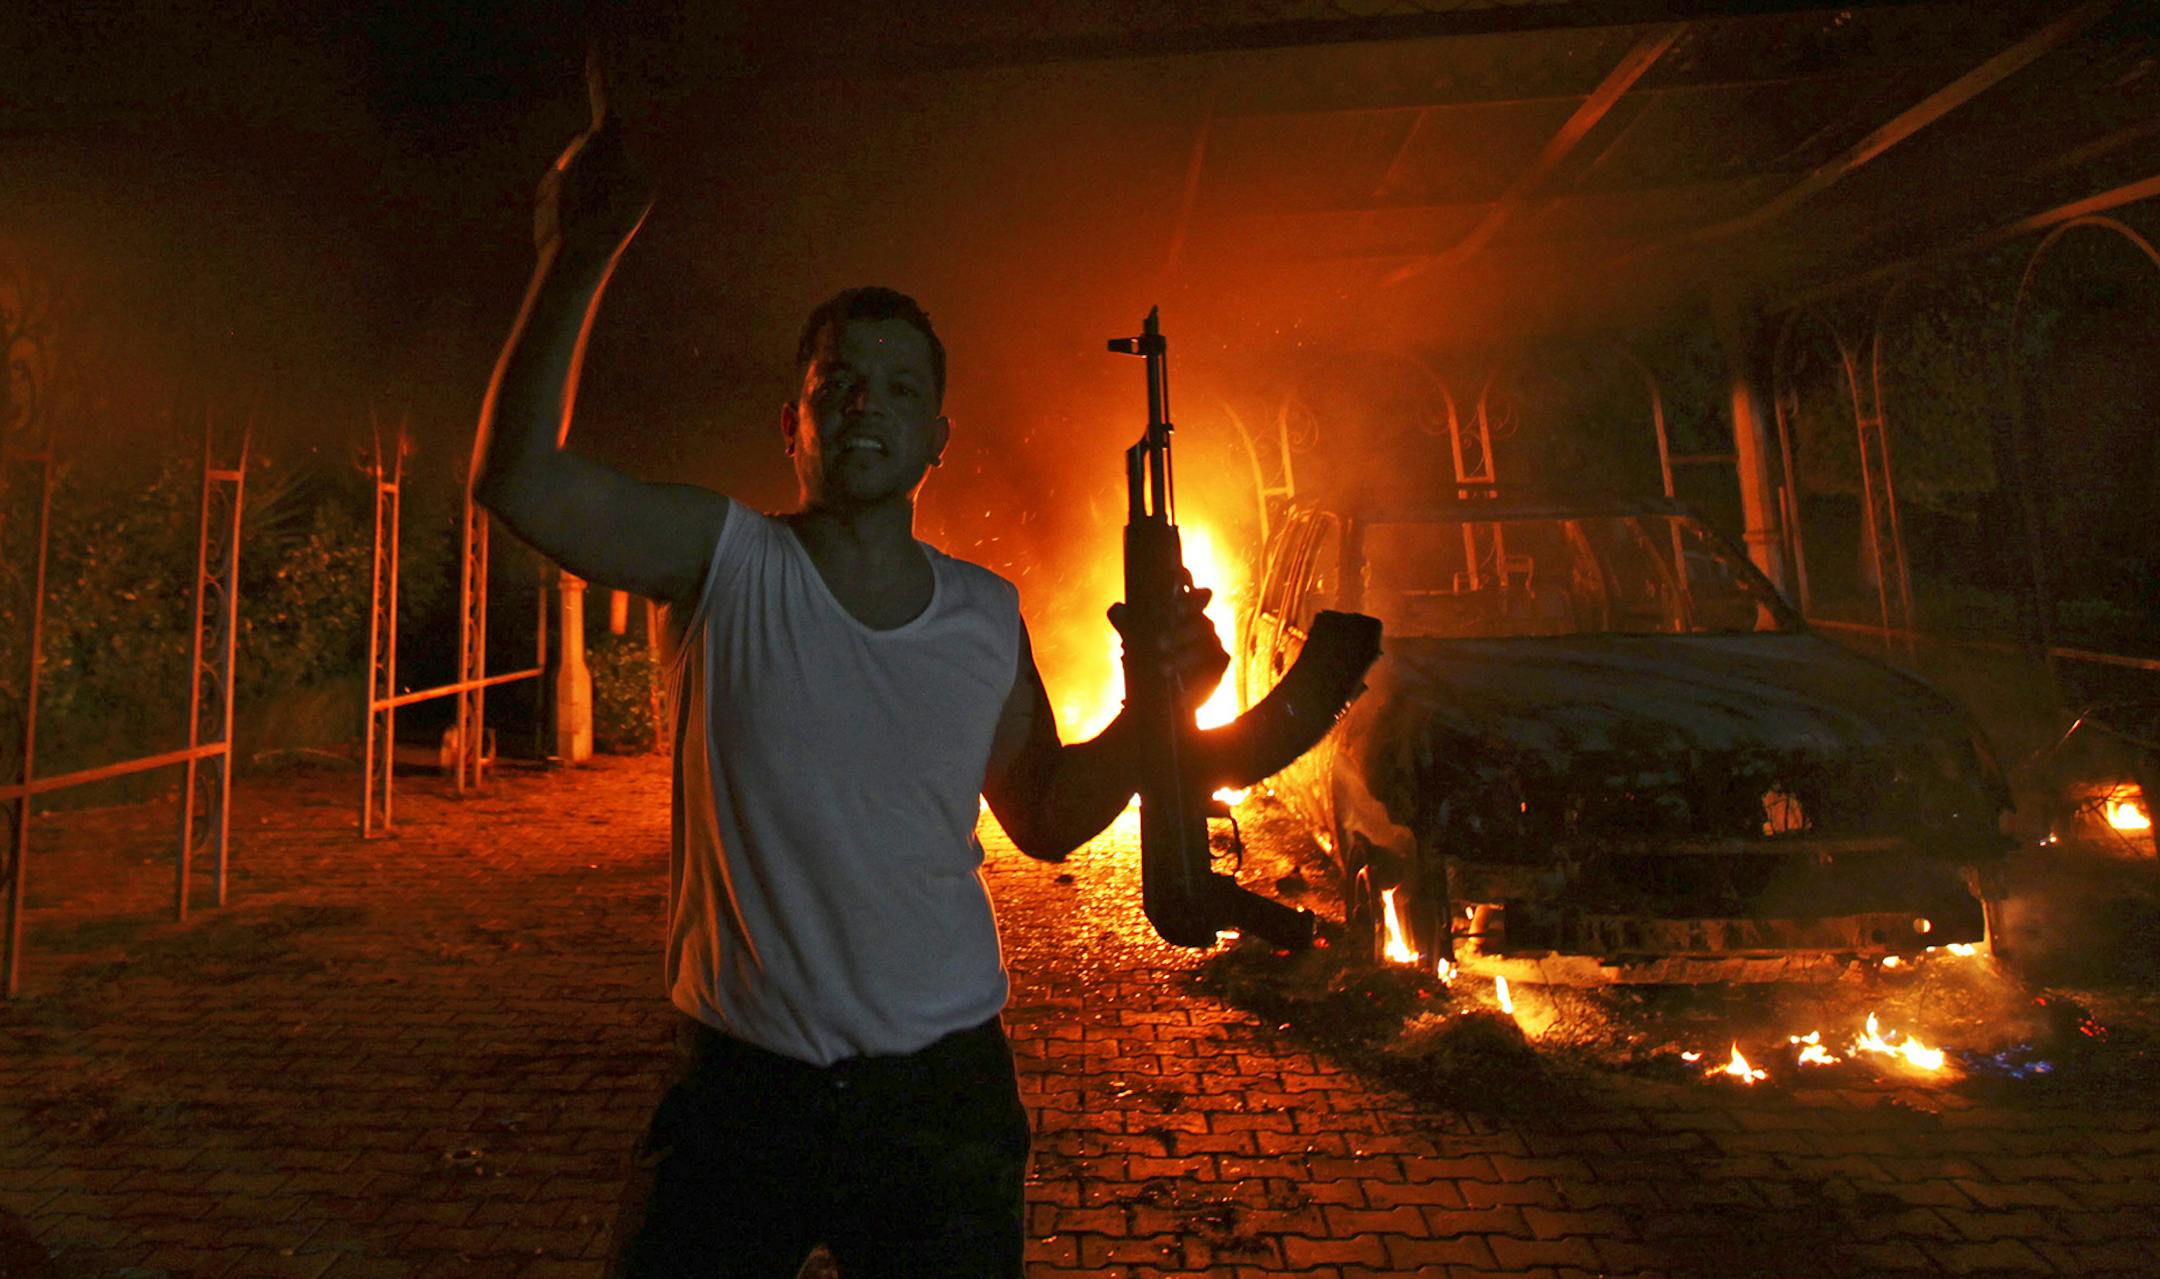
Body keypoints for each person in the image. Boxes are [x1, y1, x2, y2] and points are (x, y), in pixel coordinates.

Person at [471, 65, 1228, 1278]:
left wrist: (1162, 710)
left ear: (938, 437)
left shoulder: (985, 615)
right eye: (839, 382)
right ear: (795, 423)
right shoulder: (723, 561)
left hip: (941, 1103)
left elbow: (1044, 818)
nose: (868, 403)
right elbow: (521, 481)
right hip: (738, 1097)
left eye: (903, 388)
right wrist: (576, 255)